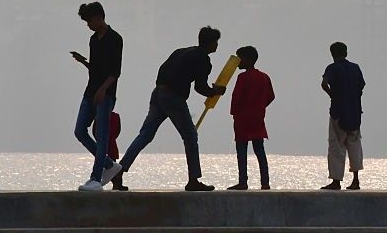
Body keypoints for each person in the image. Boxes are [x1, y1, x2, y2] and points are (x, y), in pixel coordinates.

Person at [116, 26, 226, 191]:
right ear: (211, 43)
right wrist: (215, 91)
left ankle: (119, 170)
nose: (217, 45)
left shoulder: (181, 51)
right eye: (216, 42)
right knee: (190, 136)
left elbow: (163, 70)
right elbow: (200, 87)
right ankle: (193, 180)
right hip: (174, 98)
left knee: (145, 134)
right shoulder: (203, 59)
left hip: (158, 93)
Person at [71, 1, 124, 191]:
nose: (88, 25)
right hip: (90, 91)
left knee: (102, 135)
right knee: (79, 131)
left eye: (89, 21)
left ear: (99, 17)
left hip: (106, 94)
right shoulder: (93, 40)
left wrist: (103, 89)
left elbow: (115, 71)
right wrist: (83, 62)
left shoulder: (115, 39)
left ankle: (96, 178)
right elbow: (95, 69)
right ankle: (109, 165)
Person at [228, 45, 275, 191]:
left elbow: (236, 97)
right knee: (260, 151)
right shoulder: (264, 77)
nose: (237, 62)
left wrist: (234, 112)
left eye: (239, 59)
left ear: (247, 60)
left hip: (242, 119)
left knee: (242, 151)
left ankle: (243, 181)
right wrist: (260, 106)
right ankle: (265, 182)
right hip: (258, 119)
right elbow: (271, 96)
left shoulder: (242, 77)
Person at [320, 41, 366, 190]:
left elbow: (324, 84)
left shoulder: (332, 68)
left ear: (332, 54)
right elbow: (361, 86)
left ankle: (336, 181)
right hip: (354, 112)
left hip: (338, 112)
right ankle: (356, 180)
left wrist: (332, 95)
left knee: (336, 146)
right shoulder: (355, 68)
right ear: (346, 52)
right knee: (355, 145)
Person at [92, 111, 127, 191]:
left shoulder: (99, 116)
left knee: (104, 164)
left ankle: (97, 181)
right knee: (113, 165)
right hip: (111, 143)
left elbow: (95, 131)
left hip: (104, 144)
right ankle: (117, 184)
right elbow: (118, 130)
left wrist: (99, 140)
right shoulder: (116, 116)